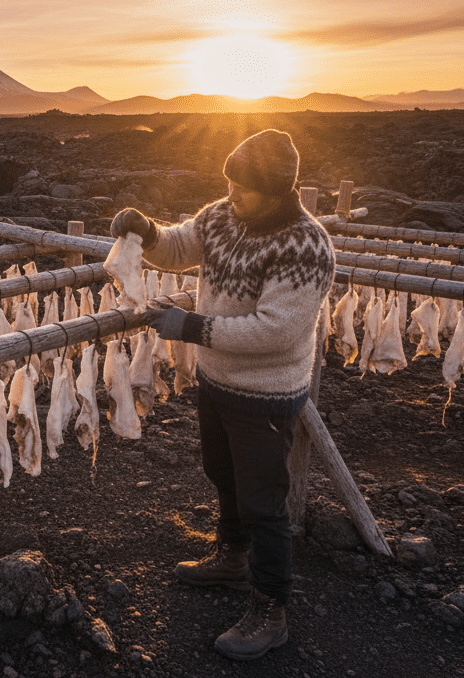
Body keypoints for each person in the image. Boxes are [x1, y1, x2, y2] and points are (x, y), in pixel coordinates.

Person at [110, 128, 334, 661]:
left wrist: (191, 327)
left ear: (279, 190)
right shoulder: (223, 216)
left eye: (242, 187)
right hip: (216, 383)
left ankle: (271, 609)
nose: (231, 194)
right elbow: (180, 245)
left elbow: (275, 330)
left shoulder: (305, 245)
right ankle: (232, 558)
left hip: (266, 394)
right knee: (222, 473)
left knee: (264, 503)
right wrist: (146, 229)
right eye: (228, 182)